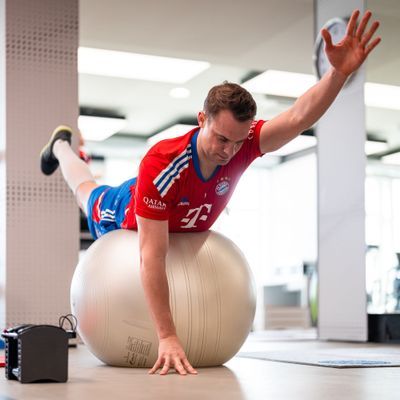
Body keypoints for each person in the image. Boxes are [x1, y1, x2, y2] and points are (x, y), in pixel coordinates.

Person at [40, 9, 380, 376]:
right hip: (125, 214)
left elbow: (298, 117)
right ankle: (61, 147)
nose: (228, 150)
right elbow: (152, 257)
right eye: (220, 138)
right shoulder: (163, 164)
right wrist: (168, 336)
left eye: (237, 141)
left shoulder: (243, 143)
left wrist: (339, 73)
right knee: (86, 190)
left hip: (183, 225)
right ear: (202, 119)